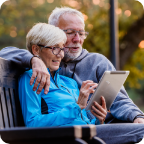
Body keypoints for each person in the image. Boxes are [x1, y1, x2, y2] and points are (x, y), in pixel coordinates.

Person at [0, 7, 144, 124]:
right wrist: (34, 60)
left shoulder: (94, 64)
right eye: (70, 33)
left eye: (81, 33)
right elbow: (6, 52)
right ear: (53, 31)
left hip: (101, 127)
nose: (77, 39)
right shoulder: (39, 65)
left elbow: (120, 99)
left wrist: (135, 116)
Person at [19, 22, 144, 144]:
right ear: (36, 49)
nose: (60, 55)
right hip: (68, 137)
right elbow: (33, 123)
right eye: (54, 48)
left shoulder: (69, 82)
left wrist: (99, 119)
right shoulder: (31, 78)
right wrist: (77, 107)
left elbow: (82, 119)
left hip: (89, 133)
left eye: (62, 48)